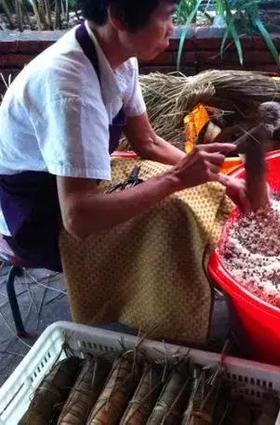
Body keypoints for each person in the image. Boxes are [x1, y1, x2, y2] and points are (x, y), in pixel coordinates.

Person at [0, 0, 250, 273]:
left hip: (78, 189)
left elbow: (148, 142)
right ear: (119, 17)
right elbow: (78, 218)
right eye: (167, 16)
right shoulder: (71, 89)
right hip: (39, 217)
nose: (171, 28)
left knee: (197, 201)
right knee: (173, 229)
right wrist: (177, 178)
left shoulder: (118, 56)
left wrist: (222, 179)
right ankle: (146, 313)